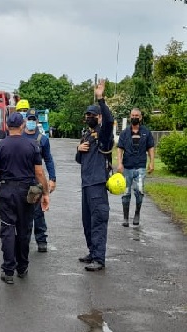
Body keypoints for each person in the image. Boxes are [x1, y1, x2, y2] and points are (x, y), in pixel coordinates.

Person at [0, 112, 50, 284]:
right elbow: (39, 173)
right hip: (28, 191)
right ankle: (22, 267)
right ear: (22, 126)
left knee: (7, 229)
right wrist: (46, 193)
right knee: (24, 229)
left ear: (7, 126)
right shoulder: (32, 145)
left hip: (6, 190)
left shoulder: (1, 146)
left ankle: (8, 270)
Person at [75, 79, 114, 272]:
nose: (89, 117)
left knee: (98, 221)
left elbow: (109, 120)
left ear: (98, 117)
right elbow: (79, 159)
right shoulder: (87, 135)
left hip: (98, 184)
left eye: (92, 115)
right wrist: (78, 148)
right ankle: (92, 251)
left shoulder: (104, 133)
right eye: (87, 115)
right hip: (86, 184)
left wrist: (101, 99)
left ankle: (99, 258)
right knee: (87, 222)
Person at [22, 108, 57, 252]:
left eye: (33, 119)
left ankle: (41, 239)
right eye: (28, 119)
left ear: (37, 121)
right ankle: (22, 240)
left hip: (36, 181)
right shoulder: (19, 137)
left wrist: (52, 178)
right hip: (21, 179)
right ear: (25, 120)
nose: (30, 122)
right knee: (21, 212)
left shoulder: (43, 139)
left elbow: (48, 160)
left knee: (38, 212)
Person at [117, 108, 155, 227]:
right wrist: (119, 163)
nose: (135, 117)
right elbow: (120, 149)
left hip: (140, 167)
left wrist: (152, 162)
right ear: (130, 117)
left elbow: (151, 148)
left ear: (140, 117)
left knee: (139, 191)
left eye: (137, 115)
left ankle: (137, 213)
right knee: (126, 192)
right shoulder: (124, 133)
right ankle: (125, 218)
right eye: (133, 115)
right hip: (127, 167)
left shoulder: (146, 132)